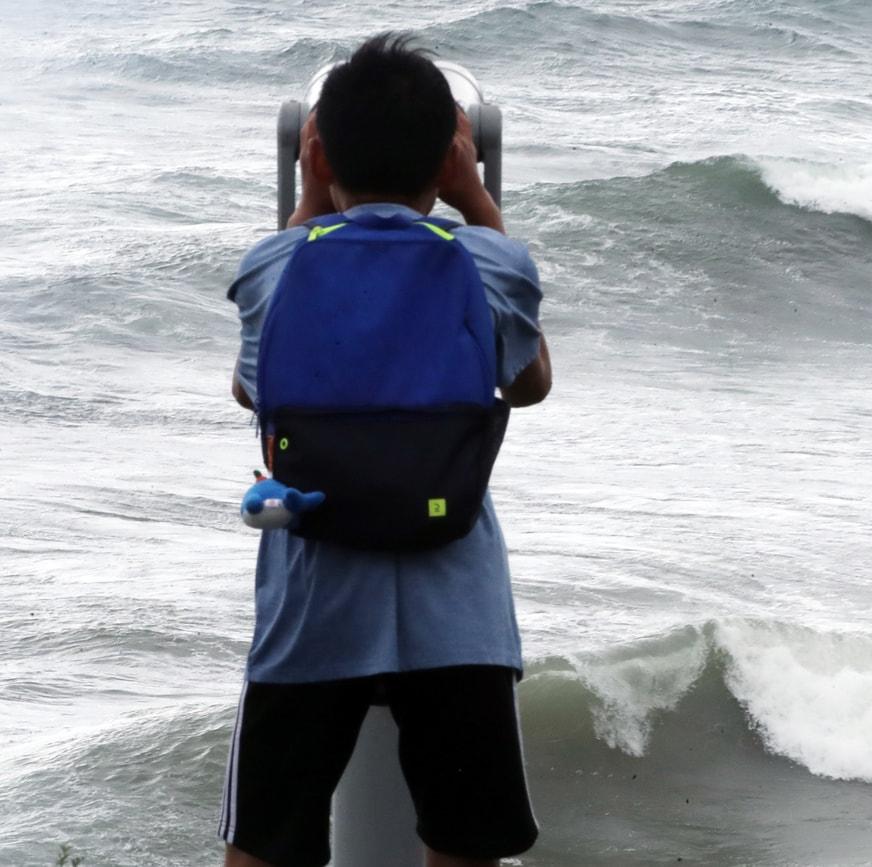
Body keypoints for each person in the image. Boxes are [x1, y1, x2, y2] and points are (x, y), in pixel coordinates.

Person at [219, 32, 550, 867]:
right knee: (464, 843)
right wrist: (475, 199)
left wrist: (306, 196)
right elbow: (531, 379)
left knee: (265, 843)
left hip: (313, 605)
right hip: (457, 611)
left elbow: (253, 390)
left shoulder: (273, 265)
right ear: (448, 155)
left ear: (317, 149)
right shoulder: (491, 262)